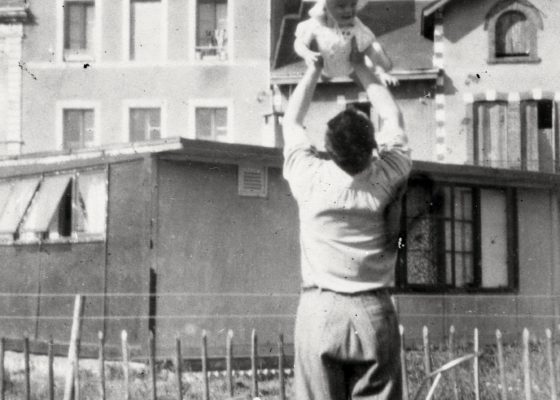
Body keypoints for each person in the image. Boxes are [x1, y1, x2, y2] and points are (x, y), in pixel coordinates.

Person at [282, 44, 411, 399]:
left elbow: (292, 121)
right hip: (374, 308)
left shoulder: (310, 177)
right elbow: (393, 117)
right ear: (373, 148)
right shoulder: (388, 175)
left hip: (319, 308)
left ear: (328, 147)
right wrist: (359, 66)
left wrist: (313, 69)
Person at [294, 0, 398, 87]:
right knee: (311, 80)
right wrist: (306, 53)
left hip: (349, 66)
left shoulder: (356, 26)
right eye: (341, 6)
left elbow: (371, 50)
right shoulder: (316, 24)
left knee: (375, 50)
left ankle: (379, 83)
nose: (349, 10)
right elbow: (299, 43)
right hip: (324, 67)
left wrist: (381, 72)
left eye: (353, 5)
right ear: (325, 8)